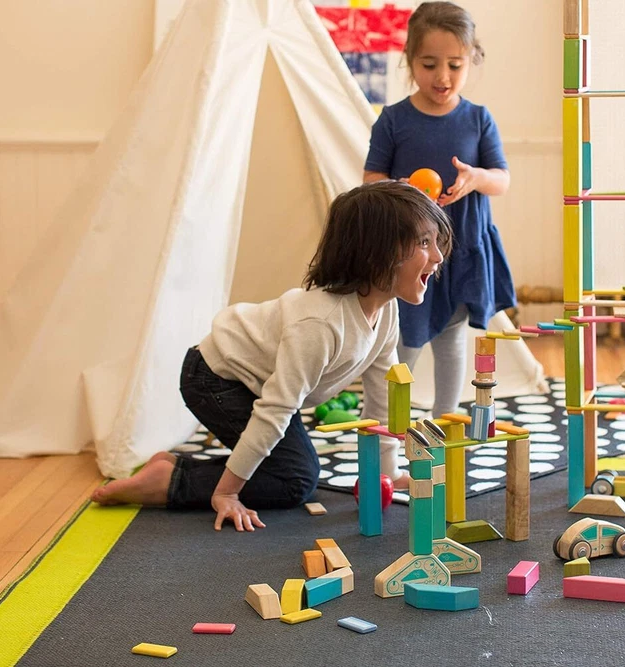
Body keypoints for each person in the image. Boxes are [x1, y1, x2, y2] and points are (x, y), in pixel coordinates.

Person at [91, 181, 453, 531]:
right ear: (376, 253)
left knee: (295, 469)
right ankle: (170, 482)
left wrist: (387, 473)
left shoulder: (385, 311)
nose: (438, 256)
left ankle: (175, 468)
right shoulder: (321, 323)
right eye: (424, 243)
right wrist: (227, 493)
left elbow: (383, 396)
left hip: (261, 384)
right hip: (216, 376)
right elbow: (276, 409)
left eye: (435, 242)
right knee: (295, 480)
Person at [363, 1, 514, 417]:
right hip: (408, 252)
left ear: (471, 60)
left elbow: (501, 180)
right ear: (410, 60)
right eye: (429, 65)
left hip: (460, 250)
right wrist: (401, 189)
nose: (442, 77)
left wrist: (474, 178)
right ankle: (387, 425)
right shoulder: (394, 120)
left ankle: (444, 422)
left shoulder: (478, 119)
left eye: (455, 65)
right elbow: (371, 179)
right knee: (403, 343)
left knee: (451, 340)